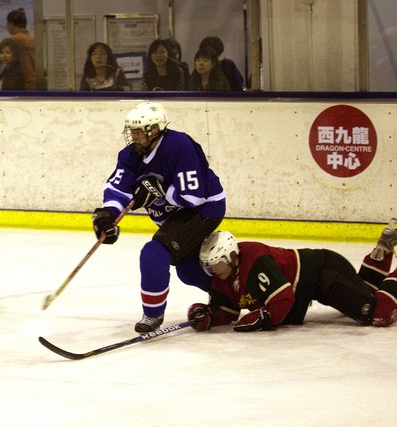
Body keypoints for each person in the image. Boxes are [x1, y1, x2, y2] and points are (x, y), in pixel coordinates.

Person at [92, 101, 226, 333]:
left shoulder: (179, 145)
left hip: (204, 209)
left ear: (155, 129)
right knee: (188, 271)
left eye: (139, 131)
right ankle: (230, 295)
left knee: (154, 253)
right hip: (173, 216)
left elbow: (195, 196)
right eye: (132, 131)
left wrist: (162, 191)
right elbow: (118, 188)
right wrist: (108, 214)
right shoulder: (130, 155)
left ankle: (152, 315)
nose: (134, 136)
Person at [188, 226, 397, 333]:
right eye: (207, 266)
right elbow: (227, 310)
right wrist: (209, 315)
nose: (212, 270)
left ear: (232, 256)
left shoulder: (256, 260)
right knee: (368, 293)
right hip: (314, 285)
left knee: (379, 314)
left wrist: (265, 316)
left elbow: (283, 300)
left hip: (325, 272)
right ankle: (382, 251)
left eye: (215, 264)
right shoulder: (223, 275)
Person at [6, 8, 36, 90]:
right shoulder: (33, 39)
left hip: (20, 82)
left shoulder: (13, 40)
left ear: (11, 24)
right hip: (34, 81)